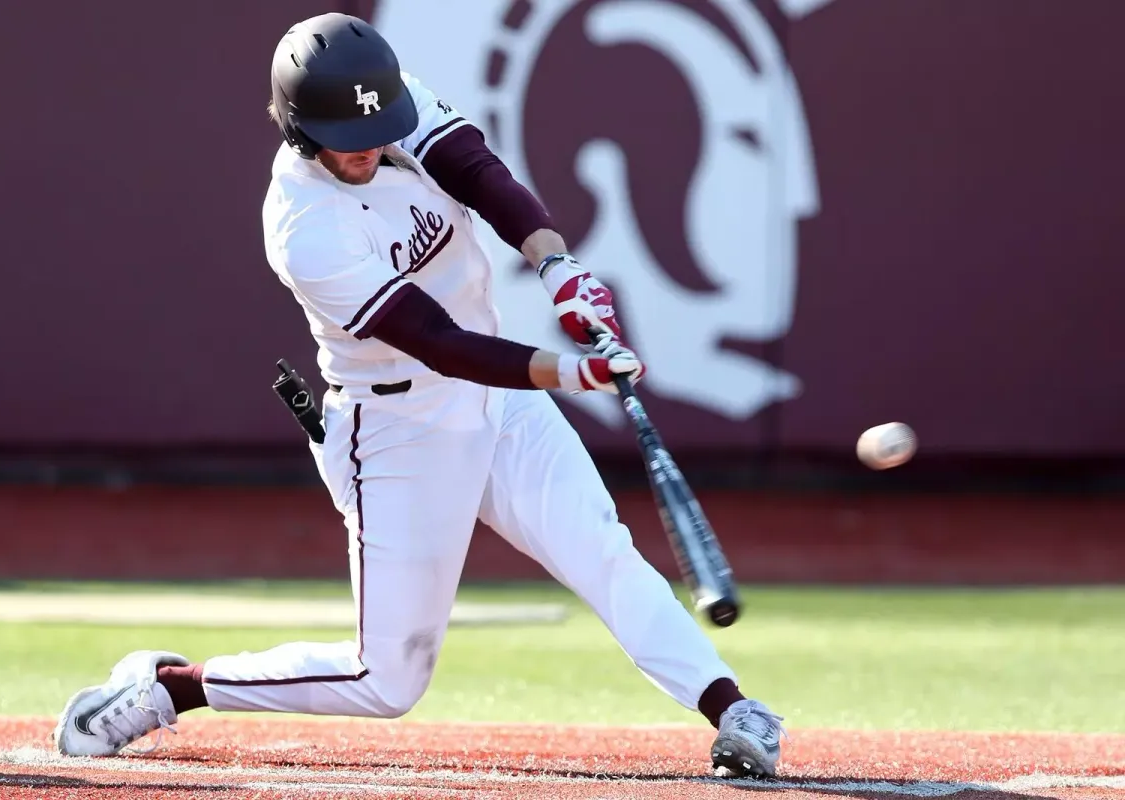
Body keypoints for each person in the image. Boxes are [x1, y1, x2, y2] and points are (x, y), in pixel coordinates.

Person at [52, 13, 787, 778]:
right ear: (302, 130)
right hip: (398, 425)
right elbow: (439, 343)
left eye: (378, 124)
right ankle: (170, 690)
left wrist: (557, 266)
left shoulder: (388, 105)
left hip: (502, 400)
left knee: (599, 548)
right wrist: (573, 373)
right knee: (386, 681)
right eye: (346, 134)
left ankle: (733, 709)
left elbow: (482, 176)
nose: (370, 144)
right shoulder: (304, 226)